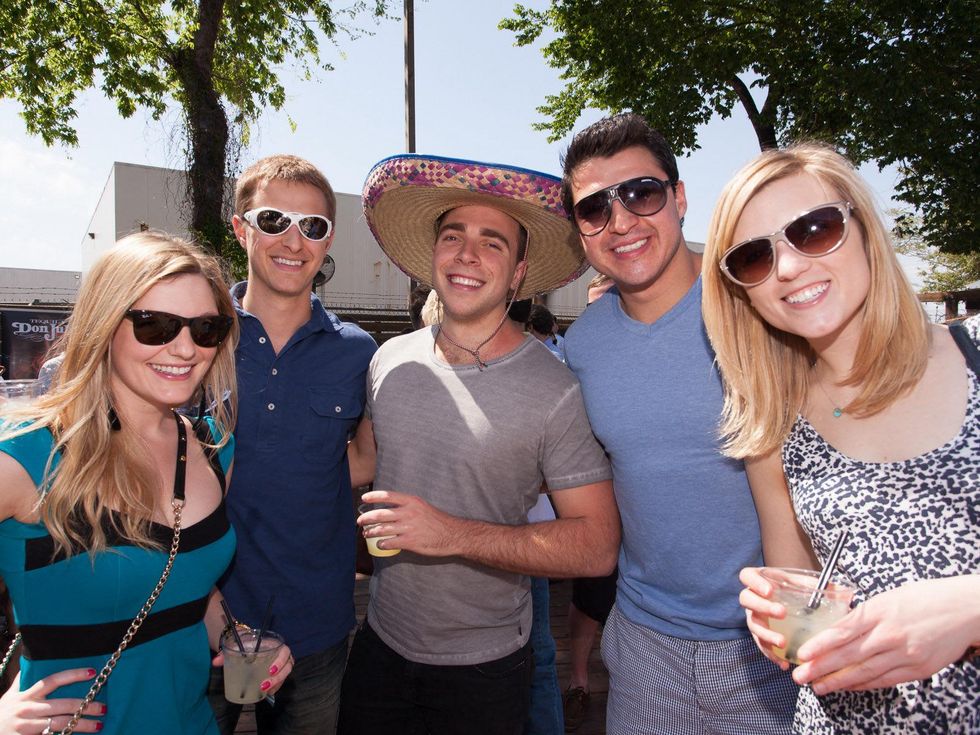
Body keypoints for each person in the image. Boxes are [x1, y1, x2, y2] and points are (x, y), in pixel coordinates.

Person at [701, 143, 980, 733]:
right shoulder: (772, 425)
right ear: (741, 292)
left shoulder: (974, 357)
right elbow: (802, 591)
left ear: (863, 228)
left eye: (814, 228)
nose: (788, 267)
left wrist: (969, 609)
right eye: (754, 257)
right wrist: (779, 616)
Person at [337, 154, 620, 735]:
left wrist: (450, 535)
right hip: (378, 648)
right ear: (434, 255)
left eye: (493, 243)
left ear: (518, 272)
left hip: (485, 669)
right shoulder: (389, 359)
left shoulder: (556, 391)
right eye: (453, 236)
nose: (468, 255)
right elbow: (362, 459)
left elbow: (596, 547)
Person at [561, 112, 797, 734]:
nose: (622, 222)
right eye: (594, 209)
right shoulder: (583, 346)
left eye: (641, 193)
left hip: (771, 644)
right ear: (581, 233)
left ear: (681, 197)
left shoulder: (759, 310)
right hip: (643, 646)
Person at [0, 232, 293, 735]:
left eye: (206, 328)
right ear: (104, 324)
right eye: (154, 325)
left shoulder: (214, 447)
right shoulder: (28, 455)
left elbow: (184, 576)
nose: (185, 348)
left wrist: (236, 639)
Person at [209, 155, 377, 735]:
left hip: (316, 622)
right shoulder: (197, 337)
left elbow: (362, 462)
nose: (294, 239)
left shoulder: (359, 352)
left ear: (328, 239)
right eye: (275, 219)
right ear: (240, 227)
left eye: (313, 227)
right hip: (200, 616)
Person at [561, 272, 618, 733]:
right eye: (592, 304)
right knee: (590, 597)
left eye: (607, 301)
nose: (598, 312)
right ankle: (579, 678)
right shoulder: (580, 352)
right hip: (596, 503)